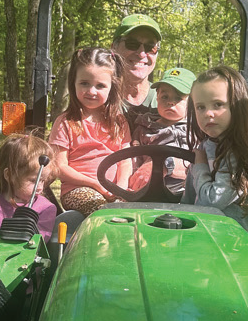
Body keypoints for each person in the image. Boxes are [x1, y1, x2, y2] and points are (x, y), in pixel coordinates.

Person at [182, 66, 248, 238]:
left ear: (236, 106)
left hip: (234, 243)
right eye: (200, 107)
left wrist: (200, 166)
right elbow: (188, 200)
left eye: (218, 105)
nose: (208, 113)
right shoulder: (205, 145)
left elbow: (212, 202)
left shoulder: (242, 150)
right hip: (204, 235)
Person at [48, 47, 131, 216]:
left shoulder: (119, 122)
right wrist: (95, 184)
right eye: (84, 83)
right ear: (74, 83)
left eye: (100, 86)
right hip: (78, 190)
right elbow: (60, 166)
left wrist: (121, 187)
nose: (91, 91)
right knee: (102, 211)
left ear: (112, 88)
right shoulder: (66, 122)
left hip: (114, 190)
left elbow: (125, 161)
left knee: (132, 213)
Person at [128, 67, 195, 195]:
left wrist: (167, 164)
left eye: (178, 98)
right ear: (157, 97)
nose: (170, 102)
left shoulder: (197, 129)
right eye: (164, 97)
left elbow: (203, 160)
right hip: (151, 190)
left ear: (192, 102)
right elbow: (134, 158)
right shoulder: (144, 129)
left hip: (189, 193)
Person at [111, 13, 161, 128]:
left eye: (150, 47)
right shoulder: (97, 98)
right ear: (113, 47)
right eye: (132, 44)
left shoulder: (169, 101)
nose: (142, 53)